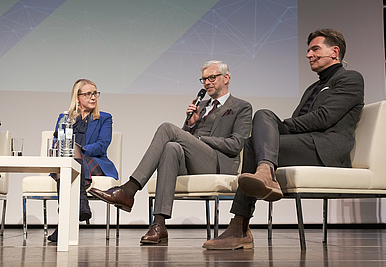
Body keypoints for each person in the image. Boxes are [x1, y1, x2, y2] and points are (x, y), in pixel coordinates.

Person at [203, 29, 365, 250]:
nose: (309, 55)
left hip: (326, 148)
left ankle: (240, 225)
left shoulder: (350, 78)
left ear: (335, 52)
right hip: (306, 143)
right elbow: (302, 122)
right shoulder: (312, 87)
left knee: (260, 131)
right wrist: (274, 128)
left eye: (315, 49)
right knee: (261, 120)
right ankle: (261, 179)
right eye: (308, 50)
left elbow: (325, 118)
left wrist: (280, 127)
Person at [89, 60, 253, 244]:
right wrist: (190, 126)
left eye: (212, 78)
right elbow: (184, 141)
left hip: (219, 163)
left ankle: (129, 189)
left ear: (226, 78)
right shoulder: (203, 105)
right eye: (204, 79)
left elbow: (236, 144)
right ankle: (159, 225)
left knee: (167, 128)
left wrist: (199, 139)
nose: (207, 83)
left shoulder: (241, 107)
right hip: (195, 161)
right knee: (170, 148)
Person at [48, 79, 119, 242]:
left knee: (69, 164)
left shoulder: (105, 118)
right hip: (70, 164)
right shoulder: (64, 118)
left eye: (95, 93)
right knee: (65, 169)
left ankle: (63, 225)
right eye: (88, 94)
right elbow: (56, 143)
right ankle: (82, 206)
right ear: (77, 97)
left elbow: (103, 145)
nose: (93, 97)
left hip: (94, 162)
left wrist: (79, 150)